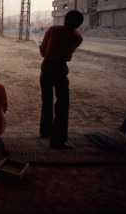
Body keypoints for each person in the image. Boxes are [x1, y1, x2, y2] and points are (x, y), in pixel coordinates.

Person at [39, 10, 84, 149]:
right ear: (78, 24)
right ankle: (57, 140)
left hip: (46, 66)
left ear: (65, 19)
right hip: (59, 68)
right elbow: (68, 53)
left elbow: (42, 51)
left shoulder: (52, 29)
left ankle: (45, 131)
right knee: (62, 104)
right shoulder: (77, 37)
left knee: (47, 99)